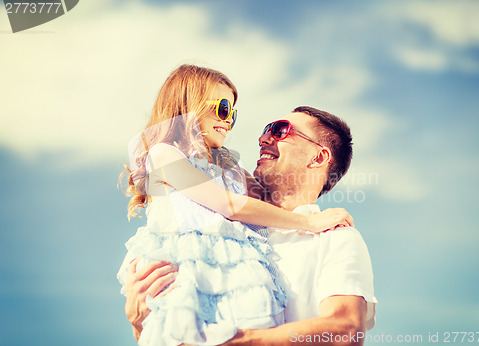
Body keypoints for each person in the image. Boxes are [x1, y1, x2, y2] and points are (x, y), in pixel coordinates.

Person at [117, 65, 354, 346]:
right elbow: (228, 204)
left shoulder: (228, 163)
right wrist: (308, 223)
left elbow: (268, 200)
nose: (228, 120)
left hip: (229, 265)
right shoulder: (163, 155)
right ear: (189, 106)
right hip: (188, 262)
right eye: (223, 108)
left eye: (233, 113)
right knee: (181, 328)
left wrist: (319, 214)